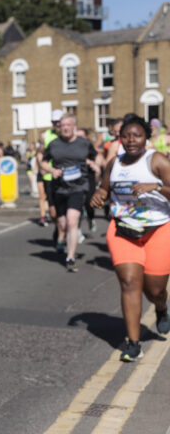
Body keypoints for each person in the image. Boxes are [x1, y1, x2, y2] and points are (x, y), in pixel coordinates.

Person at [90, 114, 170, 362]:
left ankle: (160, 307)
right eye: (126, 136)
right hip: (123, 229)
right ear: (120, 138)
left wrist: (154, 186)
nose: (131, 140)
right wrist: (99, 196)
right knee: (129, 282)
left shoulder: (156, 160)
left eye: (137, 135)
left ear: (146, 137)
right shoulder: (114, 163)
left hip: (158, 229)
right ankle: (133, 344)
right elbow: (105, 188)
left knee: (155, 289)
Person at [40, 113, 101, 272]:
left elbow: (96, 156)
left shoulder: (84, 143)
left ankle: (71, 257)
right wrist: (52, 170)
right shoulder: (53, 144)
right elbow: (43, 162)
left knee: (72, 221)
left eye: (68, 125)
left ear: (74, 126)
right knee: (62, 223)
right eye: (62, 125)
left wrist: (95, 165)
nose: (65, 128)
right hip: (59, 188)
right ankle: (63, 239)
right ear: (59, 127)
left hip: (78, 187)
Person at [37, 110, 63, 227]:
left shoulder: (68, 134)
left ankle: (68, 230)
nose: (57, 124)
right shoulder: (45, 135)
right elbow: (40, 153)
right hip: (49, 175)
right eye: (55, 122)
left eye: (59, 122)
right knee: (53, 212)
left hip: (66, 175)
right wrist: (42, 167)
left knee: (66, 207)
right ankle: (58, 228)